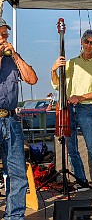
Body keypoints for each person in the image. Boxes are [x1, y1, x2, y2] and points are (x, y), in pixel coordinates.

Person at [51, 29, 92, 198]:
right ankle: (81, 182)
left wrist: (80, 97)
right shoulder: (71, 62)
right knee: (71, 147)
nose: (89, 45)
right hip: (68, 108)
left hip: (86, 108)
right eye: (86, 41)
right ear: (81, 42)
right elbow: (58, 86)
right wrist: (53, 71)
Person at [0, 17, 38, 219]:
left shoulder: (13, 57)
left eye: (5, 34)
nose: (3, 38)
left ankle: (14, 216)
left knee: (17, 172)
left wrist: (14, 55)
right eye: (0, 34)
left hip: (11, 120)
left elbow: (32, 79)